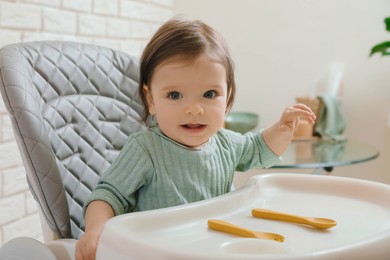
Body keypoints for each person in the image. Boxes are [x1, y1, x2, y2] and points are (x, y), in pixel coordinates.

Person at [75, 16, 316, 260]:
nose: (194, 109)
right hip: (158, 252)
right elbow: (108, 195)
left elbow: (259, 148)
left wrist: (283, 128)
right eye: (175, 95)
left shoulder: (226, 144)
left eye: (209, 94)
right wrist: (95, 231)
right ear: (151, 100)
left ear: (228, 96)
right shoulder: (145, 149)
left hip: (214, 249)